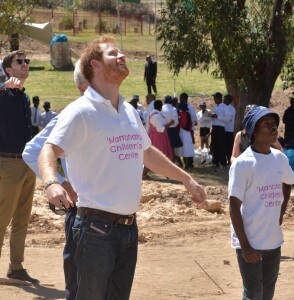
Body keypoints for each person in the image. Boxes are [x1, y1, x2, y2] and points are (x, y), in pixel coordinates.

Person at [38, 36, 206, 300]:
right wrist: (51, 183)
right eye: (113, 53)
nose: (122, 56)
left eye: (121, 52)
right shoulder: (80, 111)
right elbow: (48, 149)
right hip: (94, 229)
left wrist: (187, 179)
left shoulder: (127, 110)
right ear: (94, 64)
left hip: (128, 229)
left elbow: (147, 152)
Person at [22, 59, 88, 299]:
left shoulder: (123, 112)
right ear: (84, 85)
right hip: (84, 213)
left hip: (121, 220)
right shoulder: (72, 114)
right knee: (81, 284)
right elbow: (32, 151)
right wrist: (59, 182)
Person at [229, 106, 294, 300]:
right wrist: (245, 245)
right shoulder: (243, 164)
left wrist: (281, 213)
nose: (273, 127)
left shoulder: (279, 159)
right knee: (253, 293)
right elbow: (233, 207)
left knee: (267, 291)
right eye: (266, 124)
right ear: (254, 132)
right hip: (250, 241)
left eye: (274, 123)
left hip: (273, 241)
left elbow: (288, 182)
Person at [0, 50, 38, 283]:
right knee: (2, 219)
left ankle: (16, 266)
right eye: (20, 62)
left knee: (22, 219)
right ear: (7, 69)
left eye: (27, 61)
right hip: (8, 164)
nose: (25, 65)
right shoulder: (4, 94)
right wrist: (3, 87)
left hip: (26, 164)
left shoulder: (22, 96)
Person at [210, 92, 230, 169]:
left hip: (220, 128)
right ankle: (215, 162)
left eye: (215, 98)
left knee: (221, 145)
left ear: (219, 98)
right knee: (214, 145)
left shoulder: (224, 107)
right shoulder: (215, 106)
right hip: (214, 127)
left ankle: (222, 162)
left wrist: (218, 116)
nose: (214, 99)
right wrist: (212, 116)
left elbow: (228, 118)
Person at [162, 95, 183, 166]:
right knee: (172, 148)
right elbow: (175, 121)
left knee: (166, 147)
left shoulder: (161, 108)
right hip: (173, 129)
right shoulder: (173, 109)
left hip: (164, 129)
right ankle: (175, 163)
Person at [177, 102, 195, 170]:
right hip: (187, 133)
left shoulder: (180, 114)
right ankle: (187, 164)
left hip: (182, 132)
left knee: (184, 149)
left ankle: (186, 165)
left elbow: (181, 124)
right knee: (187, 149)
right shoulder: (187, 114)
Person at [223, 94, 236, 165]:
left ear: (229, 101)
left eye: (225, 99)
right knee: (223, 146)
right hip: (223, 130)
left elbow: (228, 119)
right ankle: (224, 160)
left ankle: (229, 160)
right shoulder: (223, 107)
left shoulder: (232, 109)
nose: (223, 100)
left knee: (229, 146)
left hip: (229, 130)